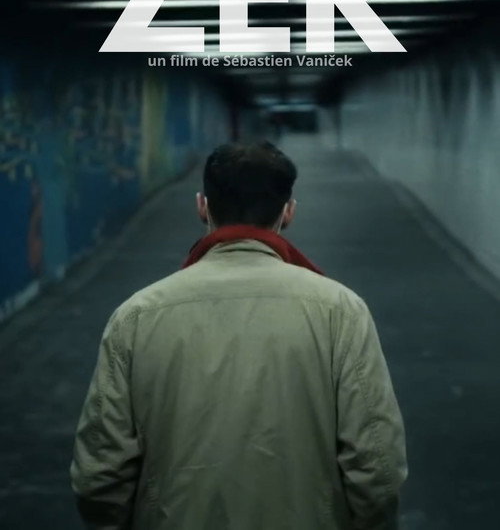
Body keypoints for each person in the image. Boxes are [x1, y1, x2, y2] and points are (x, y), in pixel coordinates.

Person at [70, 141, 407, 530]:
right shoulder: (341, 311)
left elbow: (99, 476)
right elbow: (377, 468)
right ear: (289, 212)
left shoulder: (136, 316)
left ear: (202, 206)